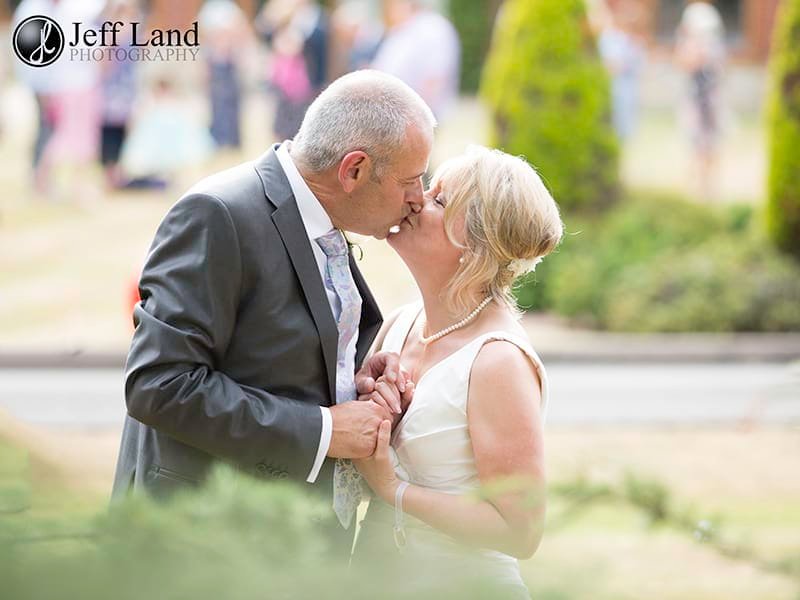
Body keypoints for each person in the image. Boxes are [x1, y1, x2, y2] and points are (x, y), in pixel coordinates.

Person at [112, 70, 436, 553]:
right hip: (205, 546)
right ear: (353, 171)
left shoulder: (321, 213)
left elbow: (280, 343)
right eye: (412, 181)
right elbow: (159, 385)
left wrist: (356, 366)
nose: (419, 198)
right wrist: (324, 431)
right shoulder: (218, 215)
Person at [351, 146, 563, 598]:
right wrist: (362, 393)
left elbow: (520, 531)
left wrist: (393, 489)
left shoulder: (497, 361)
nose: (416, 200)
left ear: (475, 247)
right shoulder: (400, 325)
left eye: (440, 200)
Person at [371, 0, 460, 119]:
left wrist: (416, 117)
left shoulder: (432, 28)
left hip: (412, 120)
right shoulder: (400, 28)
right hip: (392, 117)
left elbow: (434, 79)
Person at [675, 0, 726, 200]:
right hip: (701, 94)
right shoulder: (706, 18)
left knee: (704, 141)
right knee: (700, 141)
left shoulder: (700, 22)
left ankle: (703, 186)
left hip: (704, 96)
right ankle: (700, 185)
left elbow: (689, 60)